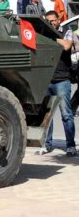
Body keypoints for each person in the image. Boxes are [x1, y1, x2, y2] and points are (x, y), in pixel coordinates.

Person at [36, 11, 76, 156]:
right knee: (47, 115)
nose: (51, 23)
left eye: (53, 21)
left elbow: (66, 46)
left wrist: (52, 37)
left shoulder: (67, 32)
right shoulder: (43, 33)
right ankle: (47, 145)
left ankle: (70, 146)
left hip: (62, 79)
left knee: (66, 114)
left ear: (58, 20)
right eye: (48, 21)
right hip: (46, 79)